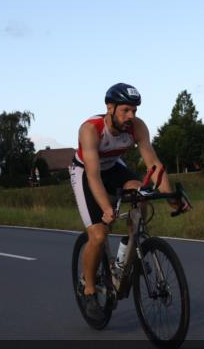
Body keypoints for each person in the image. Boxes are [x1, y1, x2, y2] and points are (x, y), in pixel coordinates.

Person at [69, 83, 183, 320]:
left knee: (140, 192)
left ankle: (133, 244)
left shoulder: (137, 127)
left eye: (134, 111)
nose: (131, 116)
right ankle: (88, 288)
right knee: (99, 235)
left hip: (112, 167)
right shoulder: (91, 129)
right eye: (125, 111)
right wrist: (106, 208)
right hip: (86, 172)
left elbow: (154, 164)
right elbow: (93, 176)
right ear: (110, 108)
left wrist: (172, 199)